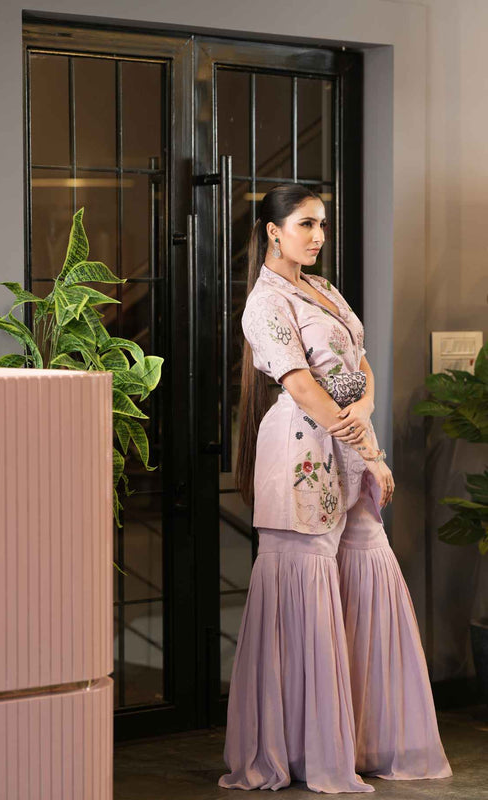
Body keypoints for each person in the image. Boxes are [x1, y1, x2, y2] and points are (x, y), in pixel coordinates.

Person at [218, 184, 453, 793]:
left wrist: (366, 414)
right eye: (305, 224)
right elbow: (301, 386)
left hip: (345, 437)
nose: (318, 236)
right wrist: (368, 448)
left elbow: (360, 363)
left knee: (367, 571)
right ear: (272, 231)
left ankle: (366, 740)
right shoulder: (264, 303)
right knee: (308, 583)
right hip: (302, 447)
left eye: (322, 224)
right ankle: (306, 750)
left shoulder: (323, 288)